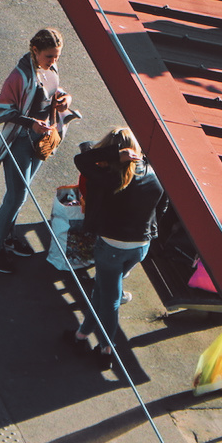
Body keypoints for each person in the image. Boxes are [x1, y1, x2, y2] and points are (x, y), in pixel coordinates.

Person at [64, 127, 164, 367]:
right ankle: (81, 334)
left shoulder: (107, 177)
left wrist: (114, 155)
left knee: (109, 300)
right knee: (102, 290)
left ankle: (106, 349)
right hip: (140, 246)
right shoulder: (152, 172)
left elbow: (81, 159)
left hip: (111, 247)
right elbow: (162, 207)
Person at [0, 28, 75, 273]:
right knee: (16, 197)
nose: (54, 62)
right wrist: (30, 123)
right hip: (21, 142)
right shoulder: (19, 76)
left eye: (57, 57)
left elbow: (55, 92)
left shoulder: (50, 69)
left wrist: (65, 100)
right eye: (49, 57)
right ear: (35, 50)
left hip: (39, 140)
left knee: (20, 195)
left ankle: (7, 238)